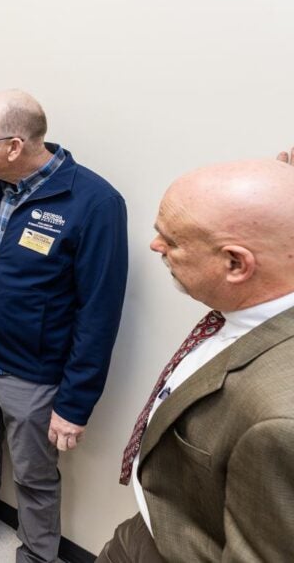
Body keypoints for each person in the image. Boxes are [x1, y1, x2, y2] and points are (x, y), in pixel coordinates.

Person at [0, 90, 128, 562]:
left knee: (34, 474)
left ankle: (37, 553)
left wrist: (75, 403)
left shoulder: (94, 202)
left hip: (32, 373)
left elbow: (99, 312)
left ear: (13, 145)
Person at [99, 159, 294, 563]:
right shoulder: (249, 306)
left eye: (171, 241)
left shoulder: (277, 421)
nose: (156, 247)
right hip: (159, 522)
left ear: (236, 264)